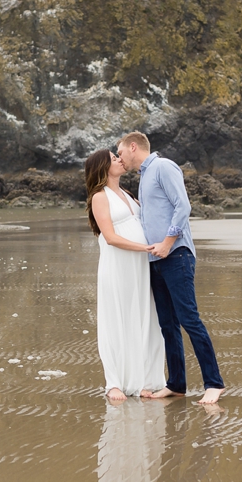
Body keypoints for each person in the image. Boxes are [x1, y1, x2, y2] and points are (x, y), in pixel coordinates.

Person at [115, 131, 226, 405]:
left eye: (120, 153)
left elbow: (183, 206)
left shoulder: (163, 167)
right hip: (155, 260)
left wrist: (167, 242)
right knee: (168, 325)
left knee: (189, 319)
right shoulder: (143, 177)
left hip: (176, 254)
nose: (120, 159)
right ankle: (176, 384)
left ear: (133, 146)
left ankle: (214, 383)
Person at [84, 147, 167, 402]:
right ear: (102, 167)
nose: (119, 160)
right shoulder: (100, 196)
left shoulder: (129, 195)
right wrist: (145, 247)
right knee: (117, 319)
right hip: (118, 266)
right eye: (113, 159)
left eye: (118, 156)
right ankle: (115, 383)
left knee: (143, 317)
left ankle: (144, 380)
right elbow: (109, 237)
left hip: (140, 266)